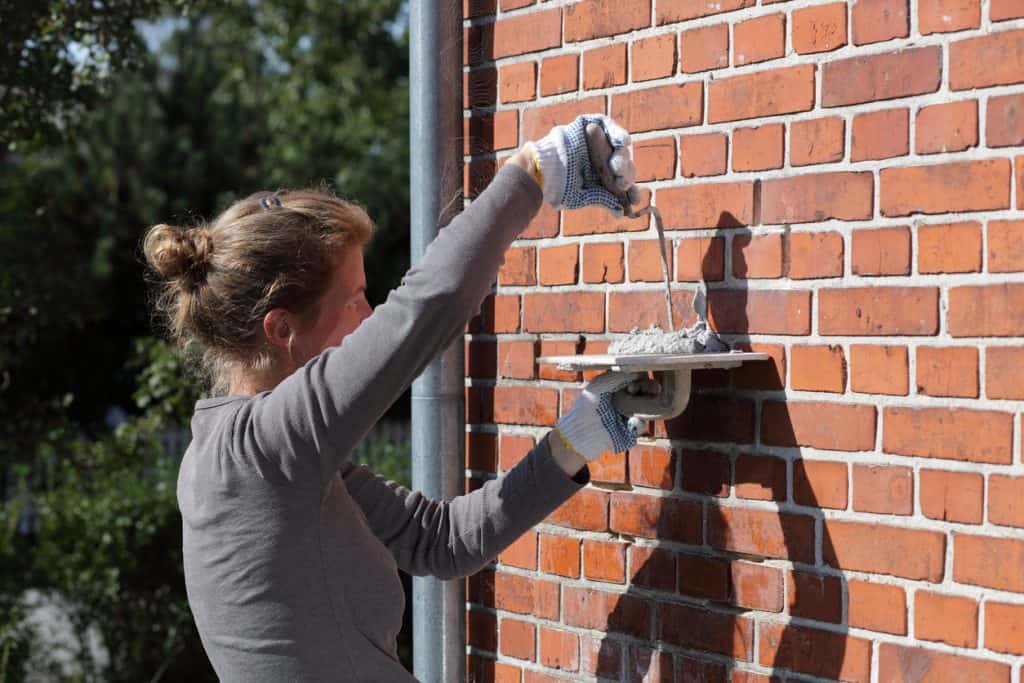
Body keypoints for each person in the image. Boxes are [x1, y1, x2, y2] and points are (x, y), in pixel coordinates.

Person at [143, 114, 646, 682]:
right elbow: (425, 309)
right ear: (282, 330)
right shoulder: (270, 445)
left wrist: (579, 436)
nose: (370, 314)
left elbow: (443, 542)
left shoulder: (255, 460)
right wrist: (538, 169)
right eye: (354, 298)